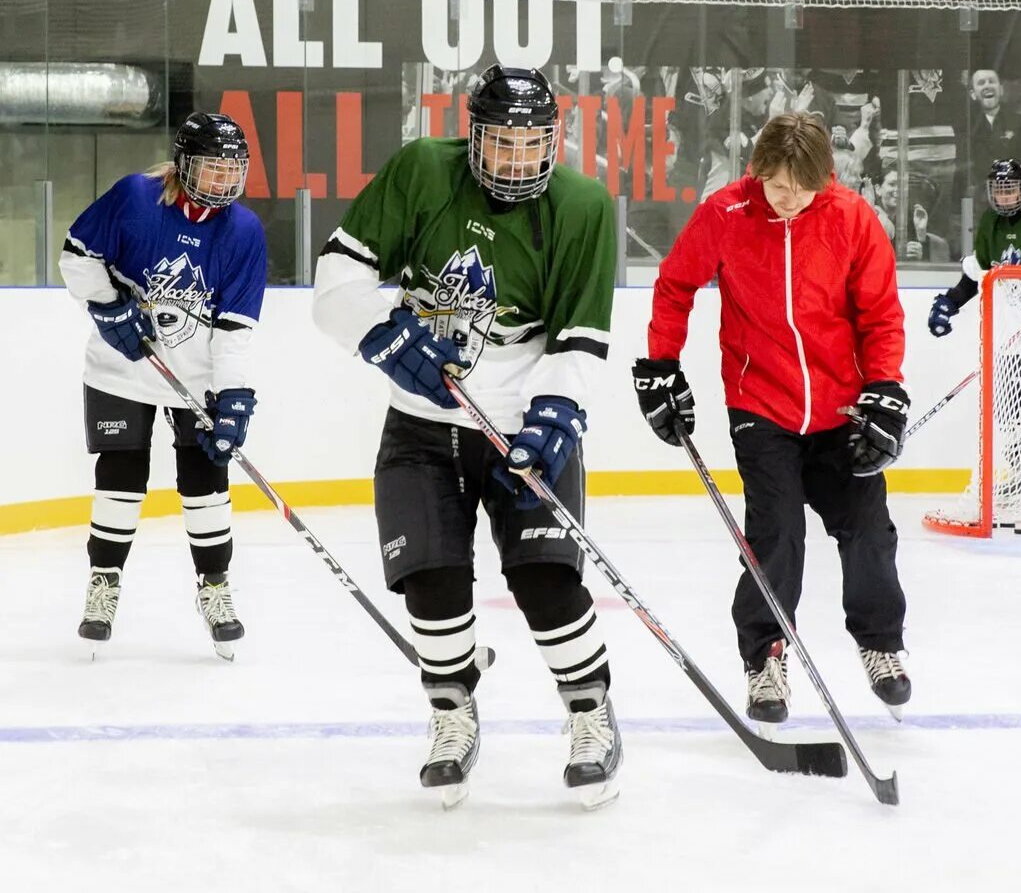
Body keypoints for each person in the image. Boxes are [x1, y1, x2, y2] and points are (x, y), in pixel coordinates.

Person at [311, 64, 622, 809]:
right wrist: (384, 336)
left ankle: (592, 716)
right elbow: (335, 282)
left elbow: (579, 339)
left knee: (546, 583)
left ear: (554, 139)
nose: (518, 160)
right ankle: (453, 716)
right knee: (431, 584)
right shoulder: (423, 169)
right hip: (423, 428)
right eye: (502, 143)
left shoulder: (582, 206)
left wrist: (555, 416)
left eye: (532, 143)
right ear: (473, 135)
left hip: (523, 427)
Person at [631, 112, 914, 727]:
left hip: (842, 408)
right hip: (761, 404)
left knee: (868, 531)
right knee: (777, 537)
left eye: (802, 188)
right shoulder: (726, 214)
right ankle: (765, 655)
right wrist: (659, 365)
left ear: (824, 177)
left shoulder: (851, 218)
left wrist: (886, 387)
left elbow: (880, 315)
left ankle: (880, 643)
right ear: (758, 172)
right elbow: (676, 286)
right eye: (778, 186)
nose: (789, 200)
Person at [58, 112, 266, 661]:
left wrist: (234, 397)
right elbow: (76, 257)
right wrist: (107, 306)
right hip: (121, 369)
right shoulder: (134, 198)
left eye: (232, 172)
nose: (222, 182)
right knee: (120, 478)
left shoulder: (243, 232)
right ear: (184, 164)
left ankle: (215, 588)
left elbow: (235, 331)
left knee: (205, 482)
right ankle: (104, 583)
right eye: (212, 169)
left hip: (193, 383)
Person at [927, 159, 1021, 501]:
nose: (1005, 197)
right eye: (999, 190)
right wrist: (950, 302)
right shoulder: (990, 223)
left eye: (1010, 189)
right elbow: (976, 271)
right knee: (1008, 406)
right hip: (1011, 332)